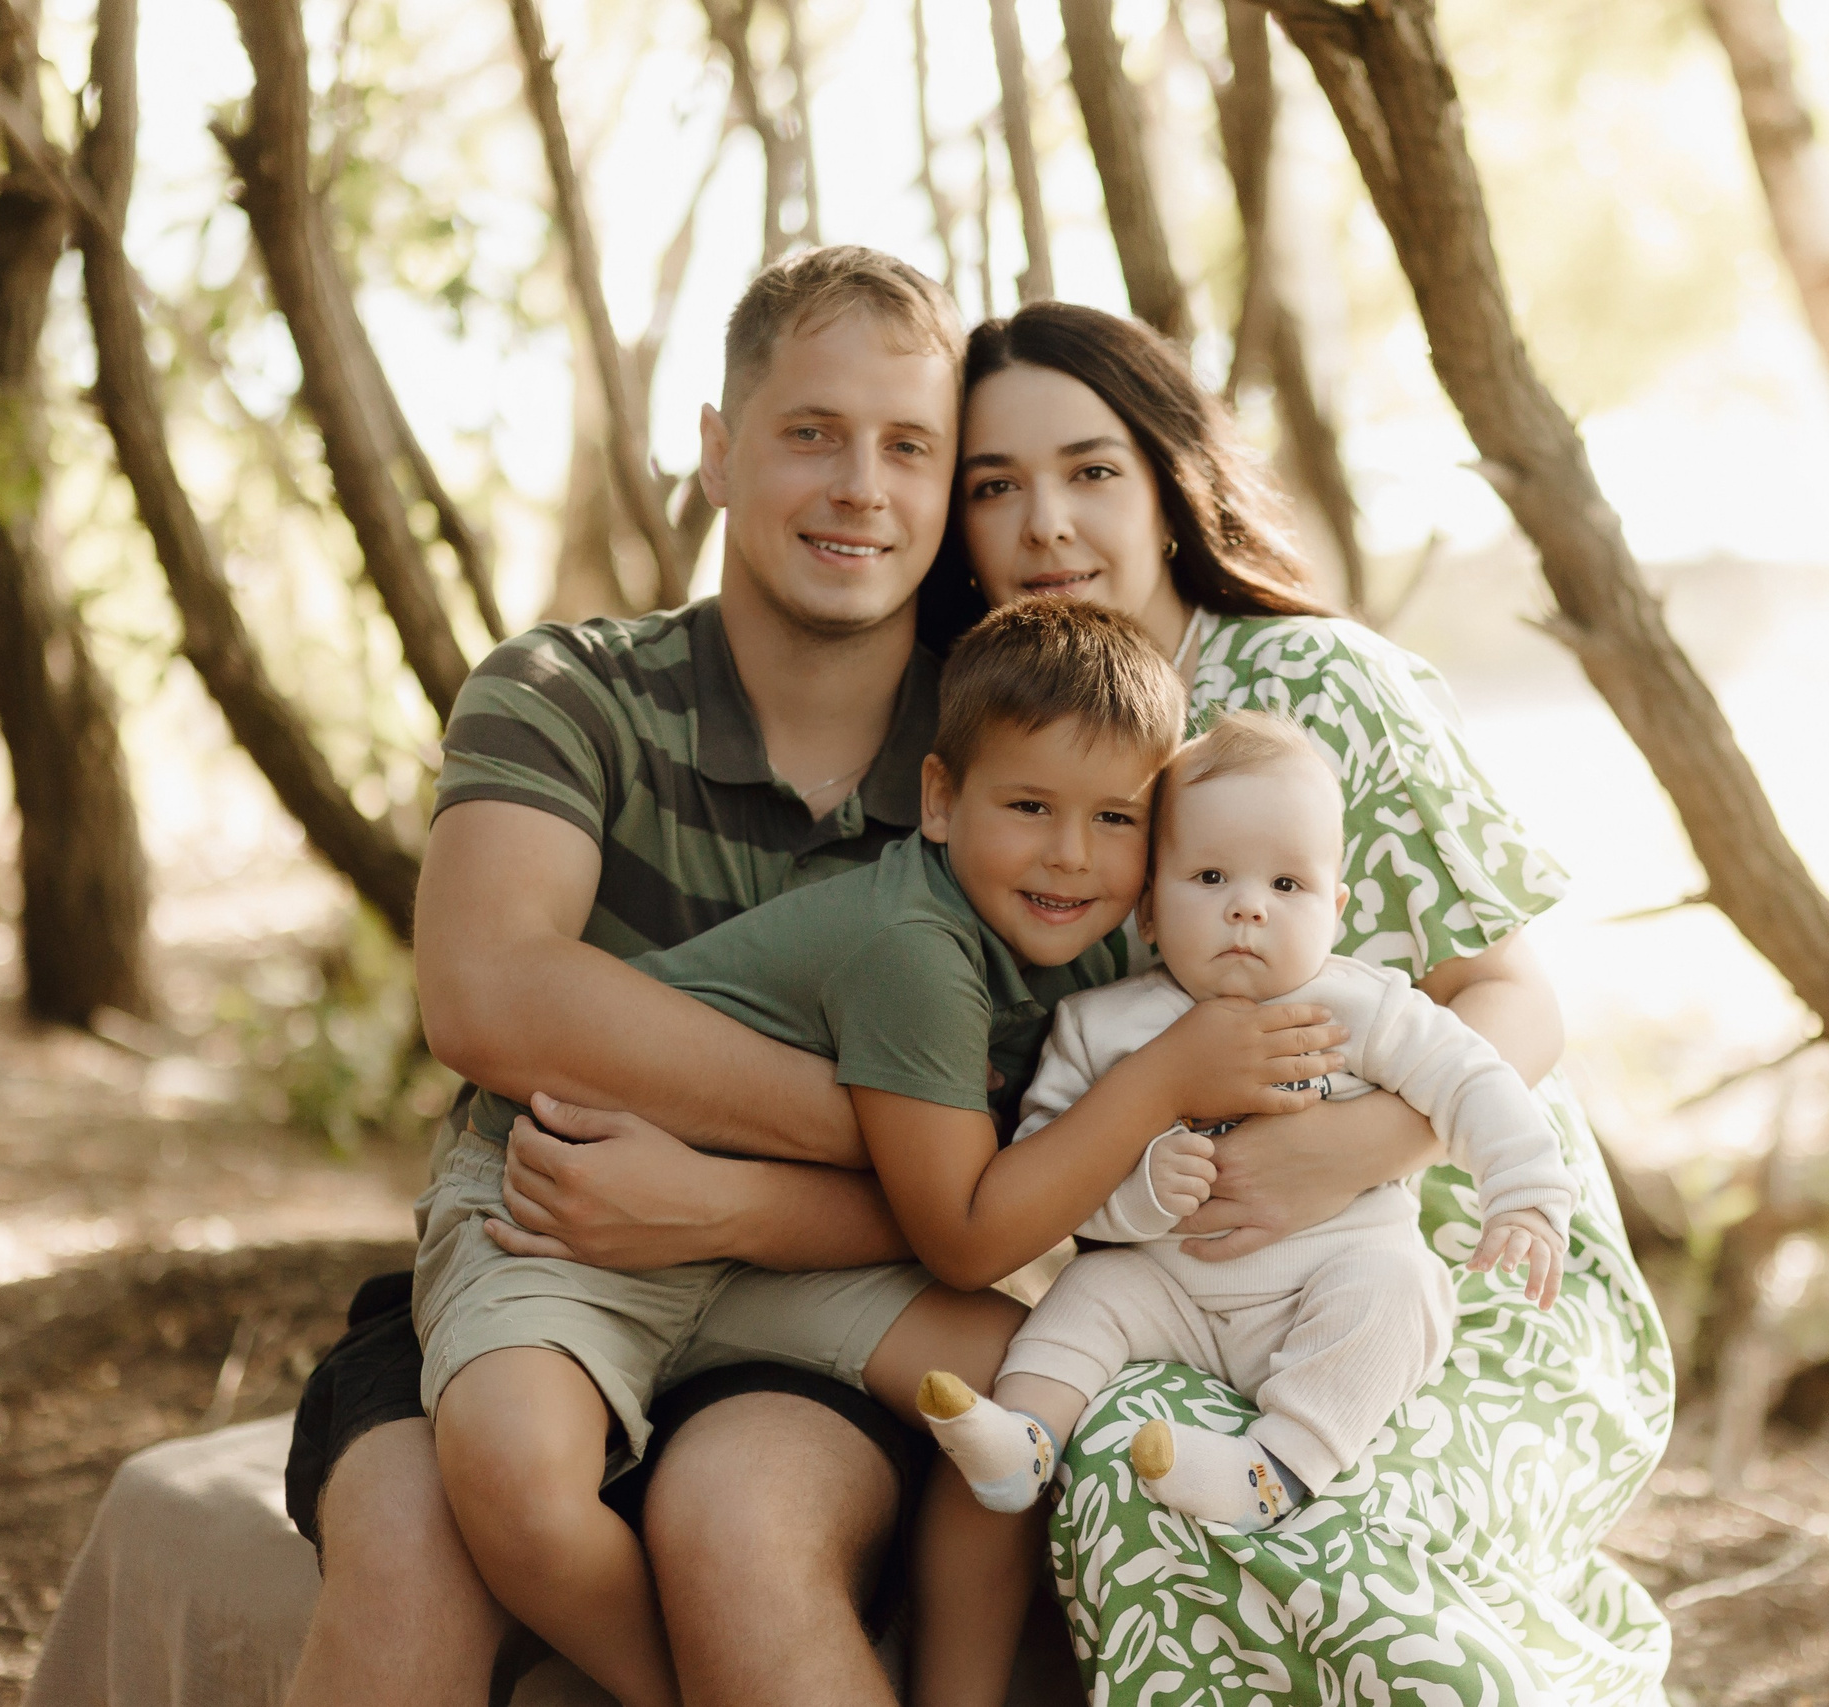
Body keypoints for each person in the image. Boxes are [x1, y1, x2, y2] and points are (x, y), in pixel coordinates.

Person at [947, 301, 1678, 1702]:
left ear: (1167, 484)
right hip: (1181, 1266)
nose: (1047, 520)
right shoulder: (1002, 736)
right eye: (996, 484)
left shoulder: (1328, 685)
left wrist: (1370, 1142)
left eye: (1092, 468)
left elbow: (1510, 990)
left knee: (1337, 1527)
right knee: (1127, 1474)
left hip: (1447, 1257)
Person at [421, 600, 1347, 1707]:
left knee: (1021, 1396)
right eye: (1028, 806)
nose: (1070, 852)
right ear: (941, 801)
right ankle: (653, 1689)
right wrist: (1166, 1080)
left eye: (1116, 819)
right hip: (571, 1194)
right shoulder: (914, 949)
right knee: (514, 1472)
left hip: (784, 1237)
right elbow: (962, 1238)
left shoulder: (1100, 956)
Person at [281, 245, 979, 1707]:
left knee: (741, 1525)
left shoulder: (1002, 769)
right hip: (549, 1243)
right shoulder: (565, 692)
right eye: (810, 433)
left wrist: (727, 1193)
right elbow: (490, 996)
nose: (861, 485)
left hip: (821, 1291)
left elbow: (1009, 1175)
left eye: (909, 445)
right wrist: (887, 1121)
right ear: (716, 451)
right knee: (411, 1538)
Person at [920, 707, 1574, 1555]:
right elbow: (1050, 1173)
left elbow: (1474, 1079)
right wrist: (1141, 1187)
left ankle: (1273, 1467)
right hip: (1171, 1290)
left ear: (1334, 909)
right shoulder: (1100, 1025)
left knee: (1403, 1290)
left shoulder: (1363, 1006)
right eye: (1212, 877)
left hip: (1327, 1278)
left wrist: (1525, 1193)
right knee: (1085, 1299)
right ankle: (1026, 1437)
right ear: (1149, 907)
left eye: (1286, 886)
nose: (1248, 911)